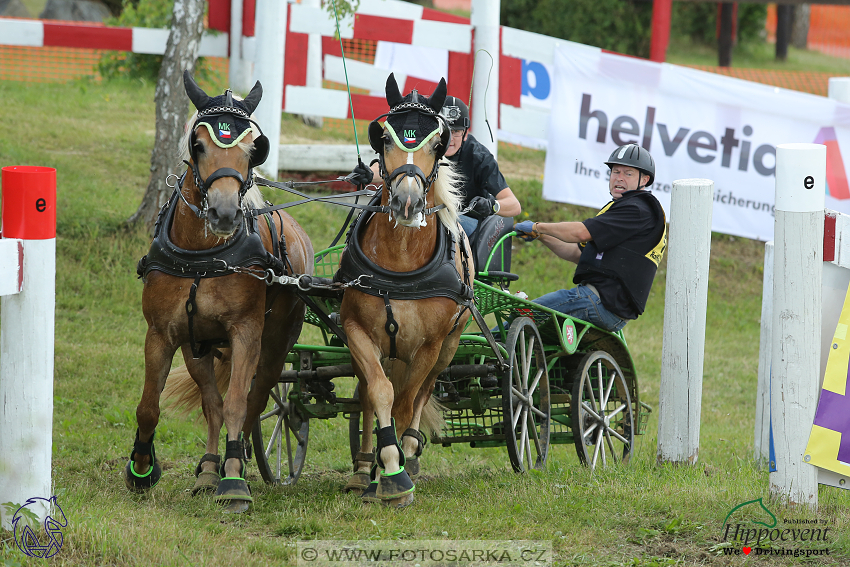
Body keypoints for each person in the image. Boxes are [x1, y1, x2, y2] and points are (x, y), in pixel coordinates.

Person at [513, 144, 667, 332]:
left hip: (600, 302)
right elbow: (577, 252)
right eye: (615, 171)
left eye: (628, 174)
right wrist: (540, 235)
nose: (619, 178)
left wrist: (538, 226)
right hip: (608, 306)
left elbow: (580, 233)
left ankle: (483, 354)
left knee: (521, 316)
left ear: (645, 179)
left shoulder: (637, 209)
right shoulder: (629, 210)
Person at [439, 96, 521, 237]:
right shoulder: (424, 150)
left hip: (466, 221)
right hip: (429, 218)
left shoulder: (479, 157)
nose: (449, 139)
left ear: (465, 134)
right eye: (444, 130)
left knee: (450, 226)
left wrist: (492, 205)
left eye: (456, 132)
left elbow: (515, 205)